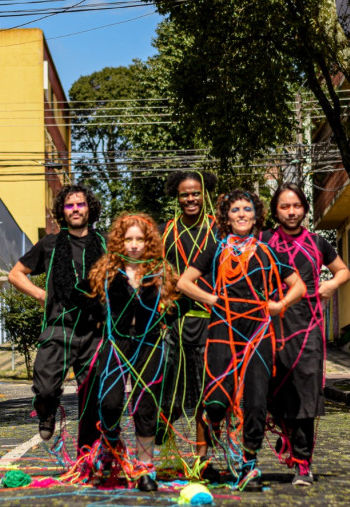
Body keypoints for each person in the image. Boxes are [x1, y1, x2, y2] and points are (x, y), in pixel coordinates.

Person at [178, 189, 306, 492]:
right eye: (235, 210)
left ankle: (249, 464)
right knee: (217, 401)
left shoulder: (266, 252)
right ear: (227, 217)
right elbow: (184, 282)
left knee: (257, 399)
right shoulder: (217, 249)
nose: (242, 215)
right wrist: (211, 298)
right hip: (223, 328)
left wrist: (280, 305)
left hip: (258, 331)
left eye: (247, 209)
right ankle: (203, 456)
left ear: (256, 214)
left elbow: (298, 285)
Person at [261, 182, 350, 487]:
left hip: (309, 324)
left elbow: (343, 270)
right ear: (275, 210)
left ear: (305, 209)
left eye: (296, 206)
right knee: (271, 390)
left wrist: (331, 285)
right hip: (271, 322)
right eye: (284, 206)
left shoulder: (317, 243)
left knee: (306, 396)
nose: (291, 211)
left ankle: (302, 463)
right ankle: (286, 435)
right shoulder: (263, 241)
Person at [7, 184, 106, 452]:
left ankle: (89, 456)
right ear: (62, 211)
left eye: (80, 204)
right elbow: (15, 274)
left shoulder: (104, 243)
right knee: (45, 388)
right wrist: (41, 295)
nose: (75, 209)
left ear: (90, 208)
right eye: (70, 205)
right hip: (58, 329)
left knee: (93, 398)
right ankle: (47, 411)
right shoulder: (50, 244)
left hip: (95, 331)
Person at [86, 213, 181, 492]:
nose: (135, 244)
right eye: (129, 239)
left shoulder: (160, 271)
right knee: (110, 403)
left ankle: (144, 468)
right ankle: (109, 444)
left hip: (149, 343)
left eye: (140, 239)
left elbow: (173, 305)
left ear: (148, 241)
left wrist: (166, 315)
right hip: (117, 342)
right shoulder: (106, 270)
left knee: (145, 407)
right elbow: (91, 303)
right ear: (119, 241)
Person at [158, 171, 219, 474]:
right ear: (177, 197)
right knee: (167, 395)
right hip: (172, 324)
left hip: (211, 323)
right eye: (184, 194)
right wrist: (161, 296)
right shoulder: (166, 231)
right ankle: (165, 453)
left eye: (195, 193)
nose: (190, 199)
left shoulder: (219, 230)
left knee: (205, 397)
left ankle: (202, 460)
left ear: (204, 194)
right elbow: (152, 268)